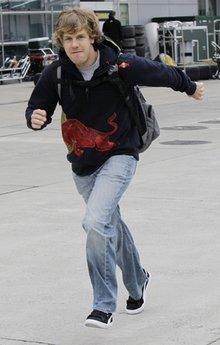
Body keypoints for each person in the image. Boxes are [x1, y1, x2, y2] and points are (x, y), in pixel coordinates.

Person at [25, 8, 205, 329]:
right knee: (109, 224)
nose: (74, 45)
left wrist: (189, 87)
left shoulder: (119, 65)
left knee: (95, 221)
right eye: (68, 39)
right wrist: (36, 117)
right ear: (62, 43)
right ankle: (139, 282)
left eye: (80, 37)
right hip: (82, 164)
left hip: (120, 153)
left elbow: (163, 73)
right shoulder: (55, 74)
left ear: (92, 37)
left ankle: (103, 305)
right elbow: (38, 104)